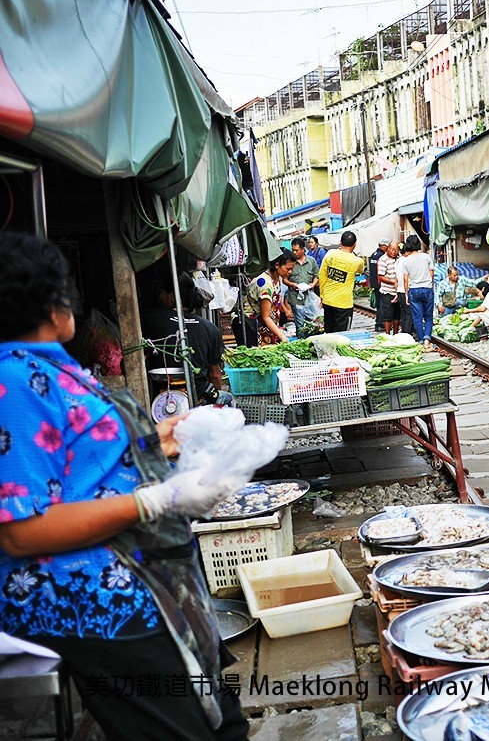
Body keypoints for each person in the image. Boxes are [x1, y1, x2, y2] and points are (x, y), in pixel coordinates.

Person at [0, 232, 248, 740]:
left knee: (220, 721)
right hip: (100, 602)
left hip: (148, 577)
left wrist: (167, 436)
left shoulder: (43, 366)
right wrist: (157, 499)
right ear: (55, 302)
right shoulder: (11, 383)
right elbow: (20, 531)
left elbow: (82, 458)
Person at [143, 274, 234, 407]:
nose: (159, 297)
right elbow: (215, 374)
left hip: (164, 396)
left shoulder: (151, 320)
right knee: (228, 400)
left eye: (161, 292)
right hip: (201, 395)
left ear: (172, 296)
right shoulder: (210, 327)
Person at [244, 250, 295, 345]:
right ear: (277, 265)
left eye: (292, 269)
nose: (290, 272)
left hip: (264, 323)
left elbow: (277, 301)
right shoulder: (265, 284)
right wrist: (282, 336)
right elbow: (266, 316)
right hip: (249, 324)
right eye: (288, 269)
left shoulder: (278, 277)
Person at [318, 230, 365, 333]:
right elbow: (361, 270)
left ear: (340, 242)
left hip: (328, 300)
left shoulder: (330, 254)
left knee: (329, 332)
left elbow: (322, 275)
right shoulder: (357, 261)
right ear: (355, 244)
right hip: (344, 304)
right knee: (342, 335)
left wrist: (322, 296)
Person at [399, 236, 436, 350]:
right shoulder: (426, 257)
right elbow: (432, 274)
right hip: (426, 288)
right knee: (428, 316)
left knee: (417, 318)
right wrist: (431, 285)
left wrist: (406, 295)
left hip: (414, 290)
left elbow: (405, 279)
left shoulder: (406, 260)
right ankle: (427, 339)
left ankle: (420, 341)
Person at [287, 237, 320, 337]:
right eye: (293, 250)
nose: (294, 252)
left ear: (303, 249)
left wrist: (313, 284)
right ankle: (301, 342)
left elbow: (317, 276)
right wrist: (292, 285)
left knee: (312, 323)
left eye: (296, 250)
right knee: (300, 324)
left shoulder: (311, 261)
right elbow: (284, 278)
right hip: (295, 298)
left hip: (309, 298)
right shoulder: (290, 262)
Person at [377, 240, 402, 335]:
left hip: (398, 291)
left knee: (397, 314)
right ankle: (387, 334)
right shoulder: (383, 259)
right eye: (392, 249)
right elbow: (380, 276)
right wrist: (393, 282)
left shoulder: (399, 258)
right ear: (388, 248)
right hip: (387, 291)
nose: (394, 252)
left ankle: (395, 333)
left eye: (396, 250)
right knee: (387, 314)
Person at [369, 239, 389, 331]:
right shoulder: (382, 256)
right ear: (384, 246)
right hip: (380, 283)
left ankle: (379, 323)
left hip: (374, 283)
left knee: (379, 305)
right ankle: (380, 324)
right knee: (382, 305)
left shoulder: (373, 255)